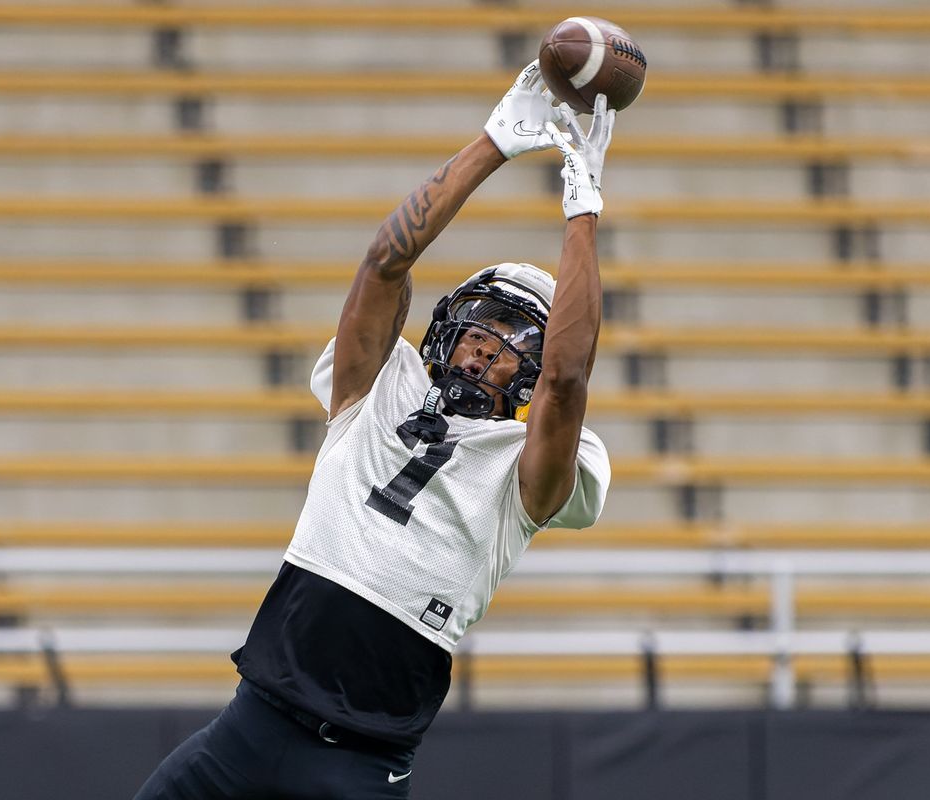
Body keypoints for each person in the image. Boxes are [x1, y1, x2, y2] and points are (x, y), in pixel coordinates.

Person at [133, 61, 613, 800]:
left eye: (516, 330)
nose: (488, 340)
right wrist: (491, 143)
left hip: (357, 765)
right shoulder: (378, 386)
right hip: (246, 728)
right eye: (482, 319)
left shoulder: (532, 470)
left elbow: (567, 380)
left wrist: (583, 206)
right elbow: (385, 264)